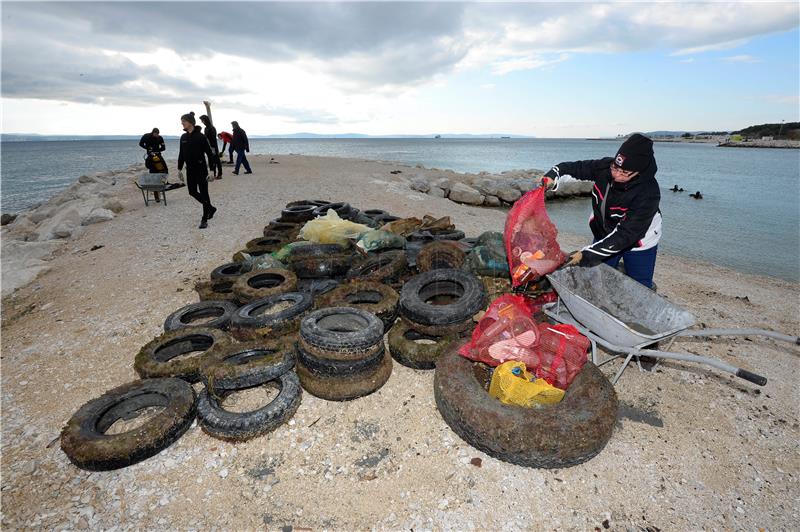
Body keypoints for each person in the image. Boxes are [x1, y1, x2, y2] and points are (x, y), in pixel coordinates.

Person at [542, 133, 661, 289]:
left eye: (624, 173)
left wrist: (586, 254)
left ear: (639, 172)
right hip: (604, 233)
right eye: (615, 168)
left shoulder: (649, 193)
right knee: (595, 279)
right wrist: (553, 176)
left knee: (640, 286)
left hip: (639, 241)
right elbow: (573, 168)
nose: (616, 175)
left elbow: (625, 235)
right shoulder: (606, 167)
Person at [177, 112, 217, 229]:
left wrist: (211, 171)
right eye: (182, 121)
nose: (182, 123)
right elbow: (181, 154)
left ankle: (204, 218)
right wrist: (179, 169)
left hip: (201, 169)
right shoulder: (183, 137)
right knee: (192, 192)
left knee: (204, 193)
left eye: (184, 121)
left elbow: (210, 154)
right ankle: (211, 208)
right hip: (189, 169)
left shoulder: (201, 137)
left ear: (190, 122)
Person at [139, 127, 167, 201]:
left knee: (164, 170)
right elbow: (140, 144)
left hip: (158, 155)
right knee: (153, 174)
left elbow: (164, 148)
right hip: (151, 157)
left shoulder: (160, 138)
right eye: (156, 134)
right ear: (153, 132)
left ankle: (162, 188)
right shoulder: (146, 136)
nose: (157, 135)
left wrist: (157, 150)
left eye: (158, 134)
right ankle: (156, 196)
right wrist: (147, 148)